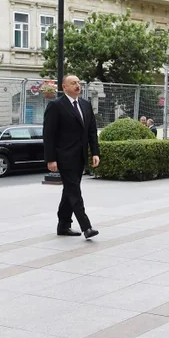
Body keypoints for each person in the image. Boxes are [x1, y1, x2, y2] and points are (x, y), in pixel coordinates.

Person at [44, 75, 101, 239]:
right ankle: (86, 227)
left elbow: (91, 131)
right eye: (73, 83)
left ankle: (63, 225)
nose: (77, 86)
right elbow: (49, 134)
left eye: (78, 83)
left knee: (69, 191)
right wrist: (51, 159)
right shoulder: (56, 106)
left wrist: (95, 152)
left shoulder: (85, 105)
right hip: (64, 156)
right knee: (74, 191)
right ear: (64, 87)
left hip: (80, 156)